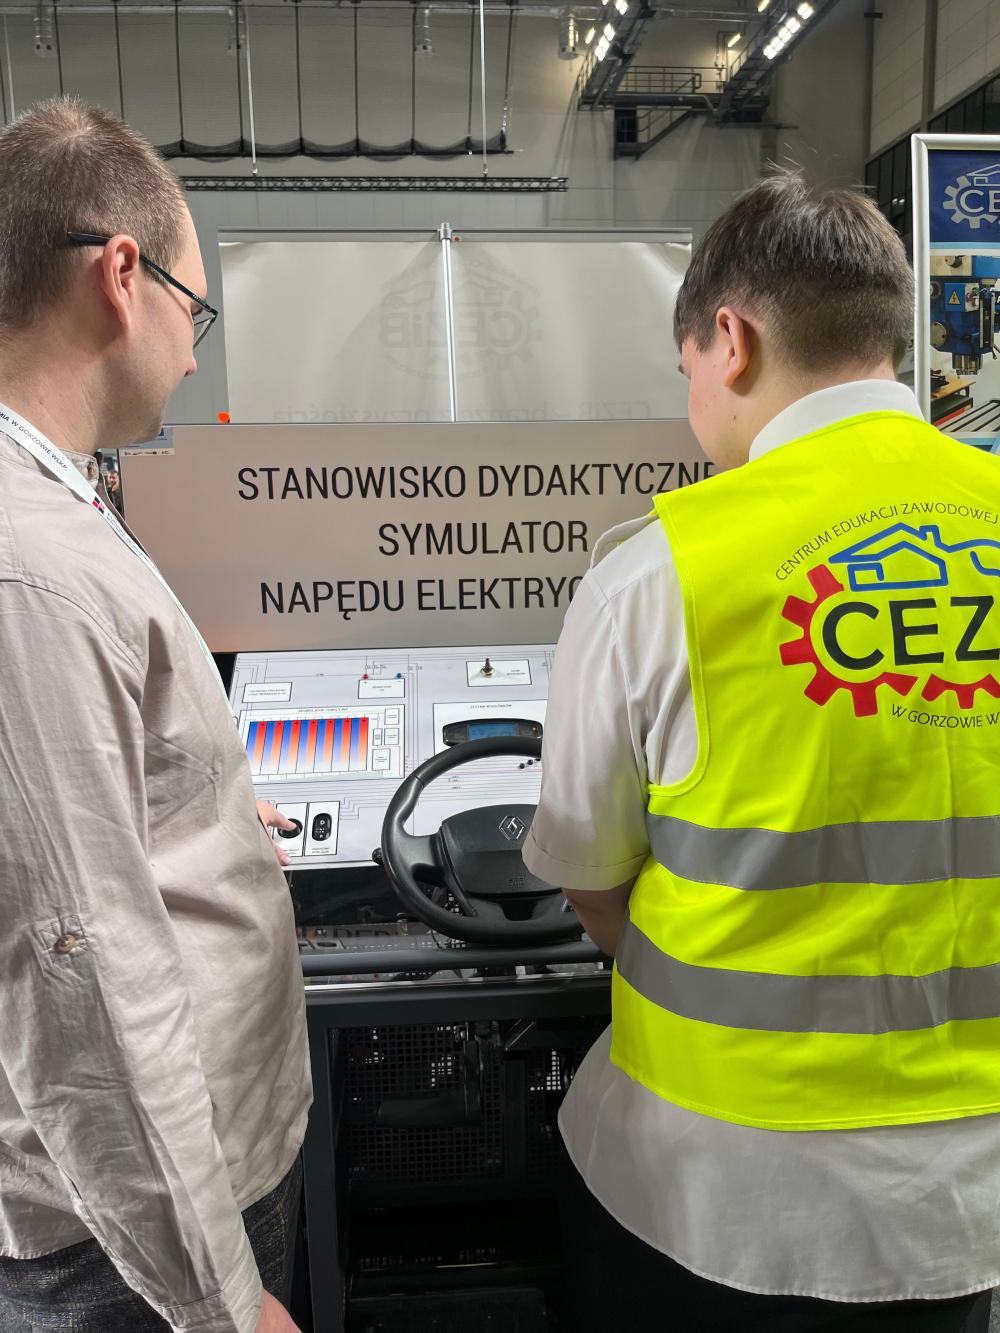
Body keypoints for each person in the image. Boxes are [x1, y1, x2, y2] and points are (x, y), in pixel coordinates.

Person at [523, 171, 999, 1333]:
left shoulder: (660, 573)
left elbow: (589, 875)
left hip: (713, 1186)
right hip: (970, 1198)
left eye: (686, 365)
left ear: (728, 340)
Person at [0, 99, 310, 1332]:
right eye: (195, 309)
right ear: (121, 278)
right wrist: (221, 1303)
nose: (191, 354)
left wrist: (205, 816)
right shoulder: (28, 571)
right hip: (132, 1250)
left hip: (141, 1219)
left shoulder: (51, 510)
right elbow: (82, 981)